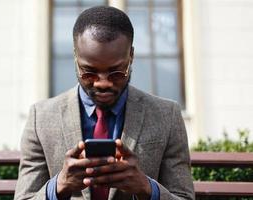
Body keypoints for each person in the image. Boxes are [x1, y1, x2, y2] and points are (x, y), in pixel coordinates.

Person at [14, 6, 194, 200]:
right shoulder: (40, 118)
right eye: (89, 72)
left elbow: (183, 197)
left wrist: (146, 188)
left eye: (116, 73)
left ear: (130, 56)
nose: (103, 83)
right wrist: (59, 186)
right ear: (76, 58)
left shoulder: (167, 115)